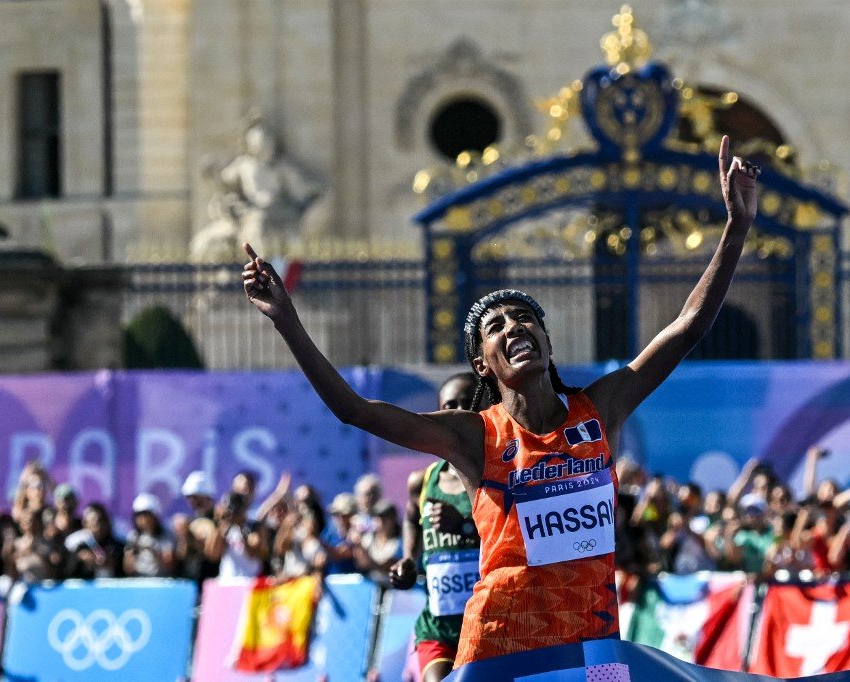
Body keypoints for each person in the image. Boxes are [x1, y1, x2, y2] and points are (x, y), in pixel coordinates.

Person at [242, 135, 758, 666]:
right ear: (483, 364)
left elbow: (687, 327)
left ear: (547, 341)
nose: (515, 326)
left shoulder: (601, 409)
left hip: (597, 648)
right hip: (499, 650)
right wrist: (287, 321)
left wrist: (735, 230)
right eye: (496, 326)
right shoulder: (474, 435)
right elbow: (355, 410)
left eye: (526, 318)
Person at [388, 372, 482, 682]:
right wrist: (408, 558)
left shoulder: (496, 475)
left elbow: (516, 532)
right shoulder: (424, 480)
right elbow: (411, 517)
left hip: (490, 624)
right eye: (449, 405)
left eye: (467, 404)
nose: (457, 412)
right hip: (438, 626)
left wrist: (466, 526)